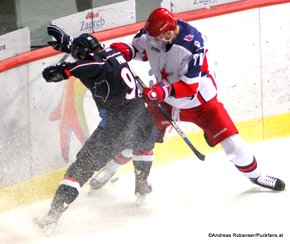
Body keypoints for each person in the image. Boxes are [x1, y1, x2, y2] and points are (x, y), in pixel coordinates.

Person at [92, 8, 286, 192]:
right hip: (164, 100)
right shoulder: (152, 33)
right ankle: (108, 170)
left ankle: (257, 175)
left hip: (199, 103)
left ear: (169, 33)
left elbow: (189, 87)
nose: (154, 40)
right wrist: (119, 51)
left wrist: (162, 89)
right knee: (139, 137)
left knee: (232, 143)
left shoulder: (193, 43)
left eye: (158, 37)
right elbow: (139, 50)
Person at [34, 25, 157, 234]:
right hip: (142, 116)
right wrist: (70, 44)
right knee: (142, 146)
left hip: (115, 128)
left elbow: (70, 69)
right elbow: (91, 56)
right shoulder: (114, 51)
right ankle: (141, 187)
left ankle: (51, 217)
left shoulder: (91, 65)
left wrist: (60, 70)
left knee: (79, 170)